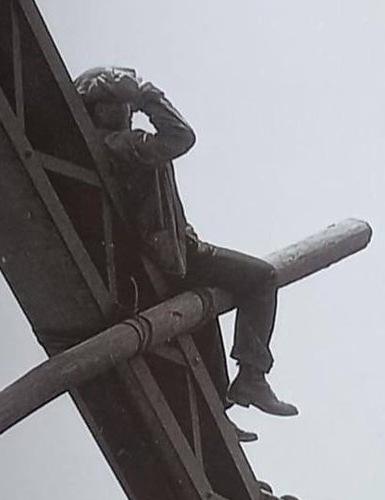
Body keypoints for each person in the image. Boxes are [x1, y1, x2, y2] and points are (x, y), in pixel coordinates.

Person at [73, 65, 297, 444]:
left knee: (203, 318)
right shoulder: (121, 144)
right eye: (119, 103)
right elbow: (181, 136)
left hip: (168, 250)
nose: (127, 110)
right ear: (98, 111)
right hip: (175, 253)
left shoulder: (110, 145)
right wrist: (145, 93)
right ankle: (253, 376)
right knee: (262, 278)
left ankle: (222, 409)